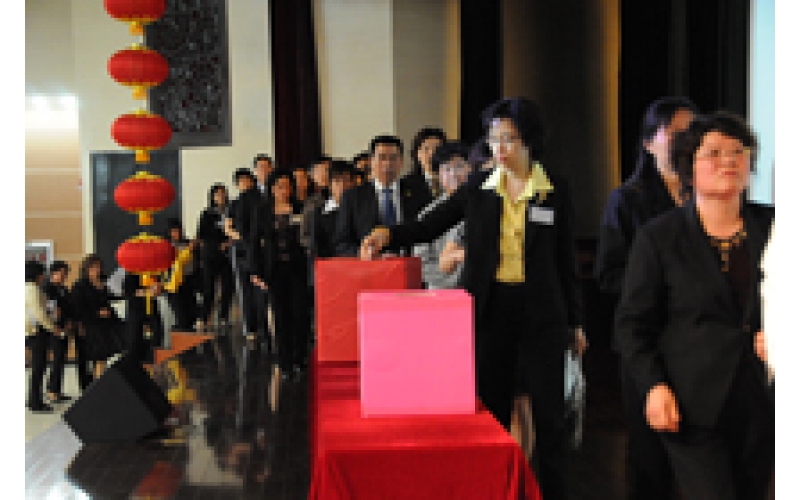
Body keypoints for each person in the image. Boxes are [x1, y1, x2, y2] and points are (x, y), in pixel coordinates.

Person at [360, 97, 585, 500]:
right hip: (492, 312)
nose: (499, 148)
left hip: (543, 316)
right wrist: (387, 234)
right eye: (494, 139)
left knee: (550, 418)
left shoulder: (554, 189)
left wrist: (576, 322)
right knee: (492, 413)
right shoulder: (478, 189)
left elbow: (566, 261)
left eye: (509, 139)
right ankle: (496, 490)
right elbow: (429, 225)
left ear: (529, 140)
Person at [614, 111, 774, 500]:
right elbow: (632, 325)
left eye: (738, 152)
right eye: (714, 153)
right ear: (689, 167)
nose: (728, 161)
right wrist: (653, 385)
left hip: (762, 400)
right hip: (691, 401)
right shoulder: (660, 237)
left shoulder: (774, 227)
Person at [594, 96, 697, 500]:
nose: (685, 140)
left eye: (692, 132)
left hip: (700, 343)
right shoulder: (628, 199)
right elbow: (608, 274)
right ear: (648, 142)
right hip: (648, 341)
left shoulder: (703, 195)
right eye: (675, 133)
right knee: (650, 458)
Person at [248, 168, 311, 381]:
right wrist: (255, 271)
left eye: (288, 186)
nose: (285, 190)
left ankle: (300, 357)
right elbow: (254, 242)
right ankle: (285, 362)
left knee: (300, 314)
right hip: (275, 270)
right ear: (272, 188)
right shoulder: (262, 211)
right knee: (281, 315)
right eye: (280, 186)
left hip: (298, 268)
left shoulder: (300, 207)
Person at [334, 135, 432, 257]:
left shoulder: (419, 192)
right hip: (370, 264)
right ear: (371, 161)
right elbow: (342, 243)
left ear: (401, 161)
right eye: (382, 158)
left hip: (410, 262)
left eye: (393, 158)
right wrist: (361, 252)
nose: (387, 163)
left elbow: (427, 230)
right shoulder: (353, 197)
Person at [412, 141, 471, 289]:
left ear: (471, 169)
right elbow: (422, 265)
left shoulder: (484, 208)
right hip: (441, 293)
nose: (453, 174)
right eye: (446, 169)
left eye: (459, 166)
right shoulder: (428, 214)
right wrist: (456, 281)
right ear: (438, 175)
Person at [70, 254, 126, 380]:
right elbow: (77, 308)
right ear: (86, 269)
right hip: (90, 325)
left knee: (104, 356)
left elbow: (111, 298)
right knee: (95, 357)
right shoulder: (80, 286)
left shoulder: (104, 283)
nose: (97, 270)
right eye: (94, 267)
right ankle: (93, 384)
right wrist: (96, 313)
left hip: (105, 324)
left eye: (99, 266)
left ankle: (101, 381)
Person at [228, 168, 266, 339]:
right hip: (241, 249)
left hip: (257, 248)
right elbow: (228, 228)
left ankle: (262, 326)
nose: (245, 184)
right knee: (244, 289)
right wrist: (244, 238)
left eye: (247, 180)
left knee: (260, 288)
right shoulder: (234, 204)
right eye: (241, 181)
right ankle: (250, 328)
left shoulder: (261, 199)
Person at [196, 184, 235, 330]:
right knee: (209, 288)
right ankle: (204, 317)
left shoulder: (232, 212)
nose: (221, 197)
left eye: (223, 193)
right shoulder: (207, 214)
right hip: (211, 255)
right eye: (218, 194)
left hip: (227, 256)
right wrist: (217, 244)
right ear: (212, 197)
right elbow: (202, 235)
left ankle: (223, 317)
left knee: (227, 288)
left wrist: (228, 243)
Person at [26, 260, 60, 412]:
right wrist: (53, 327)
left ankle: (33, 399)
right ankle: (35, 402)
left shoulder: (31, 288)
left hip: (34, 331)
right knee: (38, 367)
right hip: (36, 332)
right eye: (42, 273)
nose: (43, 276)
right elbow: (39, 313)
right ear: (37, 275)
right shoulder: (32, 290)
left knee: (37, 367)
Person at [42, 260, 77, 403]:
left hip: (65, 327)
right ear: (53, 273)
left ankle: (57, 389)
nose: (64, 276)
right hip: (53, 329)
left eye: (65, 273)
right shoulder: (47, 289)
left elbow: (69, 307)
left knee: (61, 359)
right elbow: (50, 311)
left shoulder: (63, 289)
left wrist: (69, 321)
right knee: (56, 359)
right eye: (61, 273)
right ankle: (51, 391)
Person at [310, 160, 356, 260]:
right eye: (337, 181)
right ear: (330, 185)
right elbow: (316, 250)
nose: (342, 186)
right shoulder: (319, 213)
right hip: (330, 266)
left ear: (353, 183)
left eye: (346, 180)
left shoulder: (362, 210)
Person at [165, 218, 200, 331]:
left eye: (178, 230)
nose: (177, 234)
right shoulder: (167, 247)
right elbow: (178, 261)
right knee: (180, 311)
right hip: (173, 282)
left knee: (192, 310)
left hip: (189, 279)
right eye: (174, 231)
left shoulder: (188, 243)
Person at [408, 127, 448, 198]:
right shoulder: (405, 185)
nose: (431, 154)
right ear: (417, 154)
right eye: (426, 149)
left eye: (437, 149)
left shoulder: (457, 182)